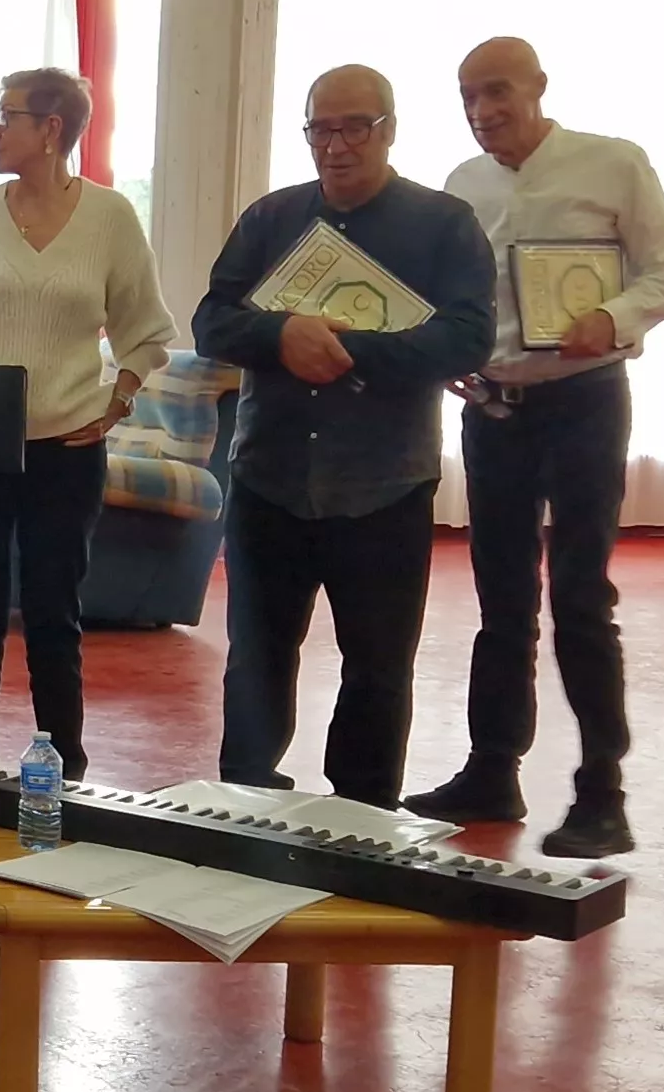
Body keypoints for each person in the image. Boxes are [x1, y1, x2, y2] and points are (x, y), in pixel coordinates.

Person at [404, 37, 664, 858]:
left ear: (538, 88)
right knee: (500, 598)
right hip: (494, 408)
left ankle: (604, 792)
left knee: (578, 595)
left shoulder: (613, 164)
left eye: (497, 92)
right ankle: (493, 769)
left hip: (586, 402)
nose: (483, 111)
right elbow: (450, 299)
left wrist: (616, 319)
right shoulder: (462, 185)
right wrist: (448, 354)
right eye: (467, 97)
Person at [195, 66, 496, 809]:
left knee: (378, 667)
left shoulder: (443, 224)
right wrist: (279, 334)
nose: (335, 146)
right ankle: (246, 803)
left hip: (384, 484)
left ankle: (362, 822)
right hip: (270, 477)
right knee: (257, 659)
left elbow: (468, 339)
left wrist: (350, 350)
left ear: (388, 130)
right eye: (320, 130)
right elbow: (212, 320)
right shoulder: (270, 219)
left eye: (353, 127)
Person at [0, 68, 177, 780]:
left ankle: (65, 768)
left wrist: (117, 402)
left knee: (55, 614)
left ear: (52, 129)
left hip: (68, 450)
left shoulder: (111, 218)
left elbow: (146, 329)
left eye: (6, 116)